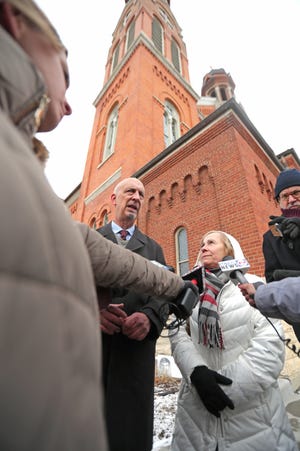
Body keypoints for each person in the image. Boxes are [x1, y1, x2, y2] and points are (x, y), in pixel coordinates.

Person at [0, 2, 197, 450]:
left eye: (142, 194)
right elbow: (74, 251)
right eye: (64, 76)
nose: (68, 105)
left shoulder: (19, 157)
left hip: (121, 373)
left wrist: (153, 312)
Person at [169, 231, 297, 451]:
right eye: (201, 244)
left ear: (229, 250)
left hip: (254, 417)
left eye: (211, 242)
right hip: (197, 415)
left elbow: (269, 347)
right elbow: (178, 333)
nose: (203, 247)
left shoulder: (254, 286)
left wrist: (220, 388)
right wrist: (198, 375)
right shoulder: (190, 291)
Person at [97, 177, 170, 451]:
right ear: (114, 199)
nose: (137, 197)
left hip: (134, 356)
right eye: (130, 191)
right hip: (90, 354)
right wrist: (93, 312)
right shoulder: (89, 239)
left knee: (128, 434)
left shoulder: (154, 249)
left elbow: (164, 293)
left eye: (141, 194)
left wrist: (150, 317)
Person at [263, 168, 300, 339]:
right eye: (285, 196)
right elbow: (272, 281)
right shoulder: (271, 237)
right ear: (278, 202)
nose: (291, 199)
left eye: (296, 192)